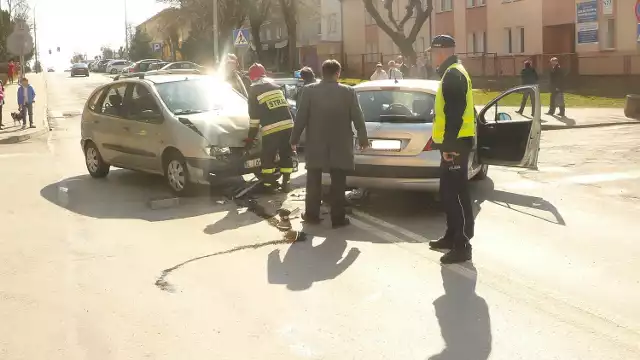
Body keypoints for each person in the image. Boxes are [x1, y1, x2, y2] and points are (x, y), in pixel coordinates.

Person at [290, 59, 368, 229]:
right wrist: (363, 139)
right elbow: (358, 117)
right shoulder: (348, 92)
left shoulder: (309, 91)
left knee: (313, 181)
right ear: (338, 73)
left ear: (322, 73)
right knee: (339, 182)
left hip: (315, 144)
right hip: (340, 144)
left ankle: (311, 215)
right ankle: (338, 219)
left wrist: (294, 140)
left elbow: (301, 117)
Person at [426, 34, 475, 264]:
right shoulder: (451, 72)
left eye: (433, 52)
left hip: (456, 144)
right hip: (454, 143)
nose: (432, 56)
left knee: (455, 193)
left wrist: (449, 146)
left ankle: (462, 243)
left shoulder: (453, 74)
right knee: (447, 193)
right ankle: (451, 234)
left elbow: (455, 114)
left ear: (442, 51)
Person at [246, 63, 295, 193]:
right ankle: (286, 183)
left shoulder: (253, 91)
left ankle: (269, 185)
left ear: (252, 77)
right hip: (288, 124)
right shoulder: (276, 86)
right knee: (286, 154)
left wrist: (250, 139)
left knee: (268, 156)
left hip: (271, 127)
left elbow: (254, 119)